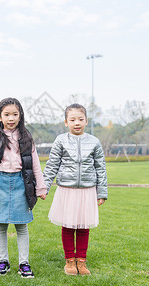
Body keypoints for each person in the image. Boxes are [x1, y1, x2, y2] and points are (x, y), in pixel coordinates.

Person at [0, 97, 47, 278]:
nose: (11, 118)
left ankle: (24, 263)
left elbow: (35, 164)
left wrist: (40, 188)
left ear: (20, 116)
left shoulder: (26, 138)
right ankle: (3, 261)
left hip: (20, 183)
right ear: (0, 117)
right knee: (1, 225)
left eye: (15, 114)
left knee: (21, 226)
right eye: (6, 114)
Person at [42, 103, 107, 276]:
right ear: (66, 122)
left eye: (80, 119)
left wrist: (102, 192)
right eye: (72, 119)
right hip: (67, 189)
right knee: (69, 225)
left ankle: (82, 261)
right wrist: (44, 187)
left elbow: (100, 168)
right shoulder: (61, 140)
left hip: (87, 190)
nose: (76, 122)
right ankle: (70, 261)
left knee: (84, 226)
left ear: (86, 121)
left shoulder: (94, 142)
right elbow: (52, 165)